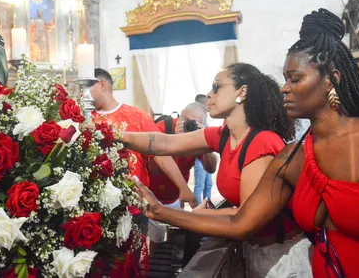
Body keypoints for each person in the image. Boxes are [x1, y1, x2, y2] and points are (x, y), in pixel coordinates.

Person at [124, 9, 359, 278]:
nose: (284, 89)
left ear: (331, 79)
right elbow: (240, 223)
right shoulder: (292, 157)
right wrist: (160, 211)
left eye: (295, 79)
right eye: (285, 78)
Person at [122, 63, 313, 277]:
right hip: (252, 250)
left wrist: (166, 212)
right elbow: (165, 144)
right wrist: (119, 136)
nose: (209, 94)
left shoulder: (262, 142)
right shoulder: (223, 135)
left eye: (217, 87)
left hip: (277, 257)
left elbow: (244, 219)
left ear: (242, 92)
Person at [90, 68, 197, 210]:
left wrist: (183, 187)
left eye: (86, 87)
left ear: (102, 85)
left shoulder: (136, 116)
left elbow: (160, 152)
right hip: (97, 202)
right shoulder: (86, 120)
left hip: (136, 201)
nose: (81, 94)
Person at [148, 102, 217, 246]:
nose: (187, 125)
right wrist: (174, 139)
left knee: (175, 241)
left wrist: (204, 142)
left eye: (193, 123)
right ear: (179, 116)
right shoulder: (163, 128)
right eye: (185, 120)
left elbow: (211, 168)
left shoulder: (197, 138)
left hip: (175, 196)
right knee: (155, 240)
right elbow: (151, 161)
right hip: (152, 193)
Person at [193, 94, 214, 203]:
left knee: (208, 184)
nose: (209, 105)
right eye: (207, 103)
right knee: (200, 185)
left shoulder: (205, 119)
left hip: (207, 156)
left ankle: (208, 208)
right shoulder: (196, 119)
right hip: (199, 158)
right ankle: (197, 209)